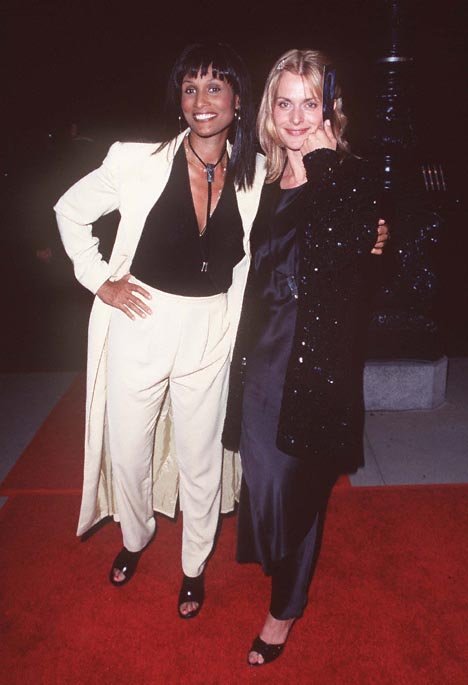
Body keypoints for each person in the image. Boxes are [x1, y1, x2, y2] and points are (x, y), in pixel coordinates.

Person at [55, 42, 387, 620]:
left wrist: (371, 233)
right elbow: (68, 210)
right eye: (190, 88)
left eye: (214, 87)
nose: (201, 100)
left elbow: (311, 227)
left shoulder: (257, 174)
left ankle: (194, 564)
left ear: (238, 100)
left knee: (202, 457)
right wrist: (100, 280)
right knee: (127, 451)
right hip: (141, 319)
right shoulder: (137, 160)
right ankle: (135, 535)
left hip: (212, 329)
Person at [222, 48, 383, 665]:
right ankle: (283, 561)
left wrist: (321, 158)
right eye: (284, 103)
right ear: (268, 109)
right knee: (265, 476)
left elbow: (352, 244)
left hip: (313, 356)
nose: (295, 117)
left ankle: (285, 610)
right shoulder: (262, 182)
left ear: (329, 109)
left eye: (309, 103)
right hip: (262, 354)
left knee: (300, 482)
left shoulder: (347, 174)